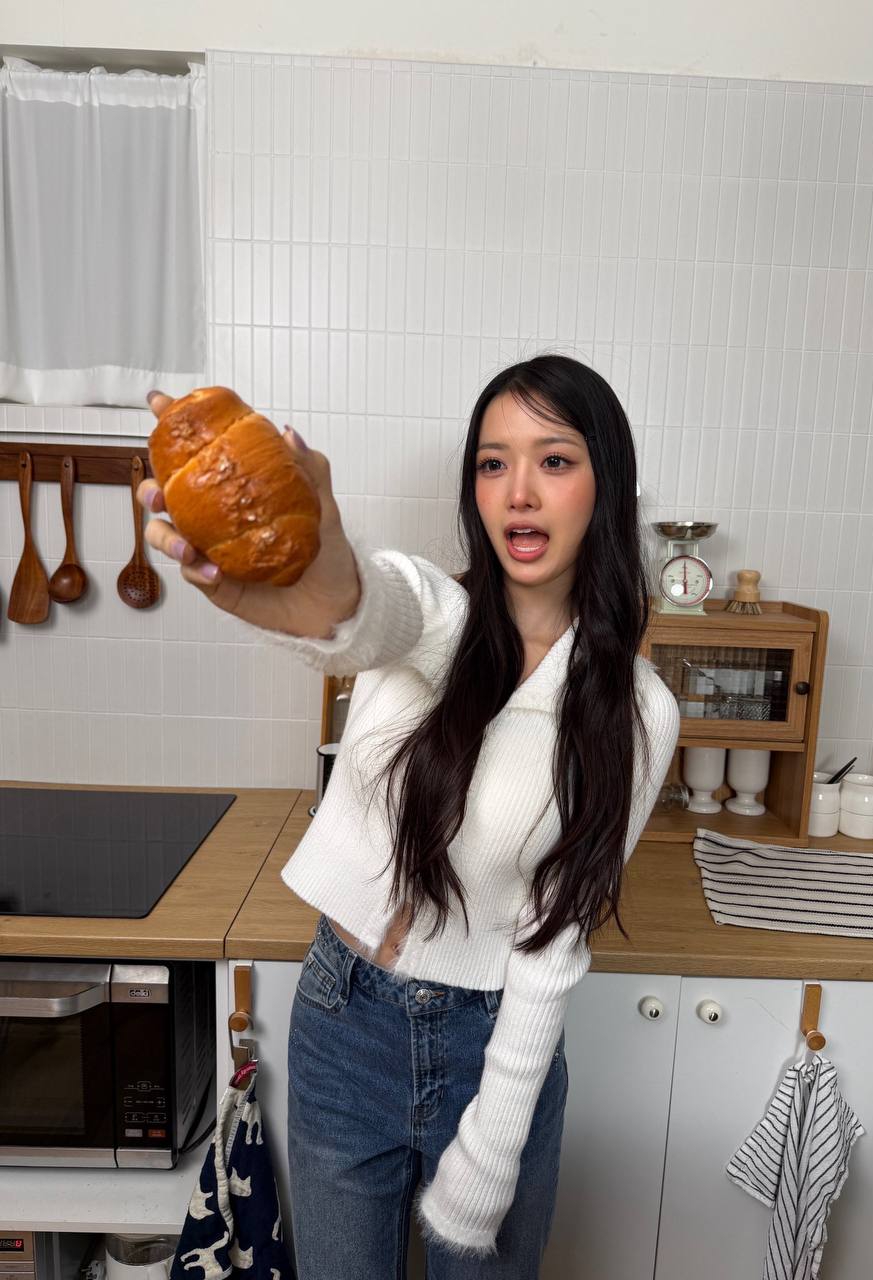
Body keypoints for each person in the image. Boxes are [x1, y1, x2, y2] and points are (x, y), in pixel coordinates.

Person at [139, 353, 680, 1279]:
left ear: (607, 485)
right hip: (342, 1019)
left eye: (554, 461)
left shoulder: (637, 712)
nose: (518, 492)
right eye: (492, 463)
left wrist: (492, 1147)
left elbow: (554, 939)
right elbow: (363, 606)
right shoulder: (438, 613)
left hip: (491, 1048)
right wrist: (309, 573)